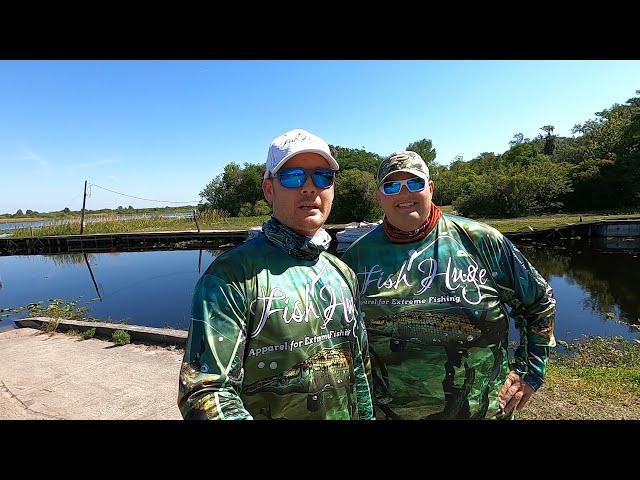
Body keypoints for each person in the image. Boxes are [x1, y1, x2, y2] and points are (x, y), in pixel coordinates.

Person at [341, 151, 556, 419]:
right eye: (392, 185)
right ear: (379, 196)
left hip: (483, 411)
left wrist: (530, 373)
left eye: (415, 183)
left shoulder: (481, 240)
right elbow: (345, 337)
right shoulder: (357, 256)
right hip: (391, 413)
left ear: (430, 188)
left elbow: (539, 302)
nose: (404, 193)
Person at [178, 128, 373, 420]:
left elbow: (358, 369)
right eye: (293, 176)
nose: (310, 188)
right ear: (269, 189)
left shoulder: (342, 272)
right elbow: (205, 391)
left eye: (322, 176)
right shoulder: (230, 277)